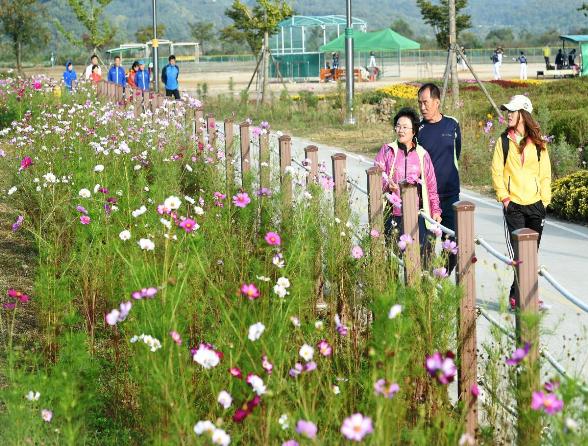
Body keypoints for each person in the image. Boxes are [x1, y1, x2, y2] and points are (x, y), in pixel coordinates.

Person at [491, 95, 551, 311]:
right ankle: (525, 298)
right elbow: (497, 172)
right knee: (520, 254)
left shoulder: (539, 143)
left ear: (523, 115)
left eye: (512, 111)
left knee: (531, 254)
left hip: (536, 205)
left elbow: (545, 174)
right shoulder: (503, 141)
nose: (508, 115)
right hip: (513, 205)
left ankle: (518, 296)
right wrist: (505, 198)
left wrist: (544, 201)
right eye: (508, 111)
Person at [374, 107, 442, 251]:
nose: (401, 130)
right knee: (394, 255)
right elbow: (376, 178)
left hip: (417, 215)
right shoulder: (387, 151)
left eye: (405, 127)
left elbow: (431, 188)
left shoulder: (422, 155)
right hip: (393, 214)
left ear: (414, 131)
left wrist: (436, 211)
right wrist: (387, 185)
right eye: (398, 126)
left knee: (419, 255)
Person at [417, 83, 462, 274]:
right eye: (420, 103)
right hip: (426, 199)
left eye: (425, 102)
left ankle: (441, 277)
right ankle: (426, 283)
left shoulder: (452, 125)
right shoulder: (418, 129)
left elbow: (456, 152)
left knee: (452, 245)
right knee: (425, 246)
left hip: (450, 195)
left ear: (437, 102)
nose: (422, 107)